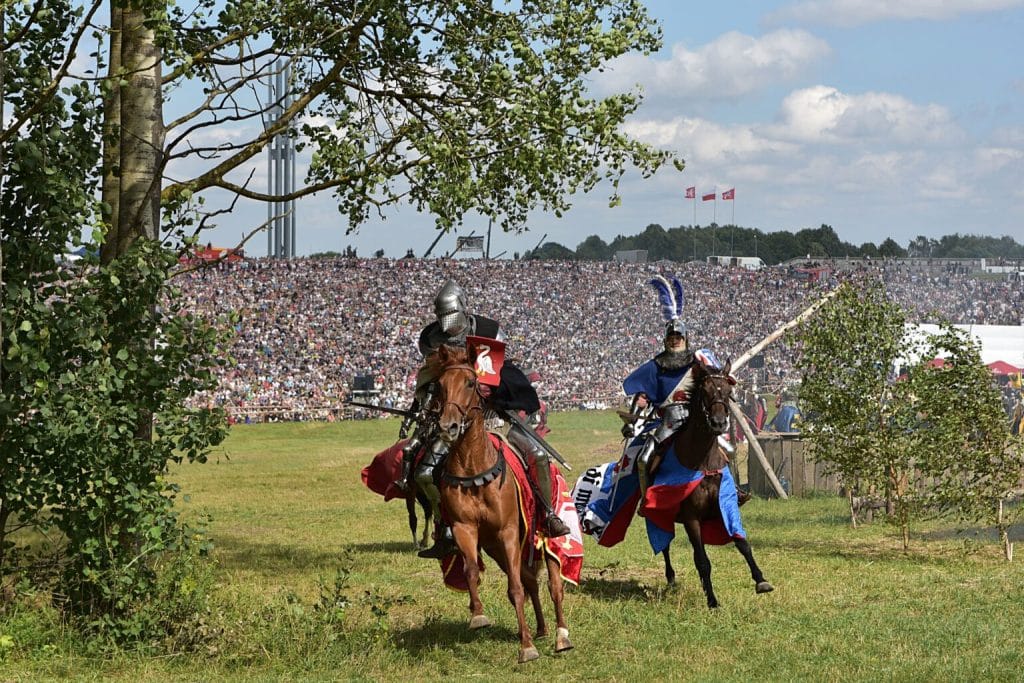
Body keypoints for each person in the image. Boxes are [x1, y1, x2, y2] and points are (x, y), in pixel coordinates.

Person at [395, 279, 570, 559]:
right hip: (455, 421)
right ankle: (446, 529)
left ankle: (548, 515)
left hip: (493, 415)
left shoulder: (488, 332)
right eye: (442, 317)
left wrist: (495, 394)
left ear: (464, 310)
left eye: (451, 315)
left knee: (536, 454)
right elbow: (431, 383)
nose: (447, 322)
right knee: (424, 473)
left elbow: (500, 373)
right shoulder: (432, 341)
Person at [619, 275, 722, 496]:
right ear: (666, 340)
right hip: (667, 421)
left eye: (679, 337)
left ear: (686, 339)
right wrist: (632, 419)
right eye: (672, 337)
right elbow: (643, 396)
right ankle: (647, 500)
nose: (675, 340)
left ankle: (729, 492)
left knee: (724, 450)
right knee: (644, 458)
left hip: (697, 416)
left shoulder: (697, 361)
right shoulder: (656, 366)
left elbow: (714, 382)